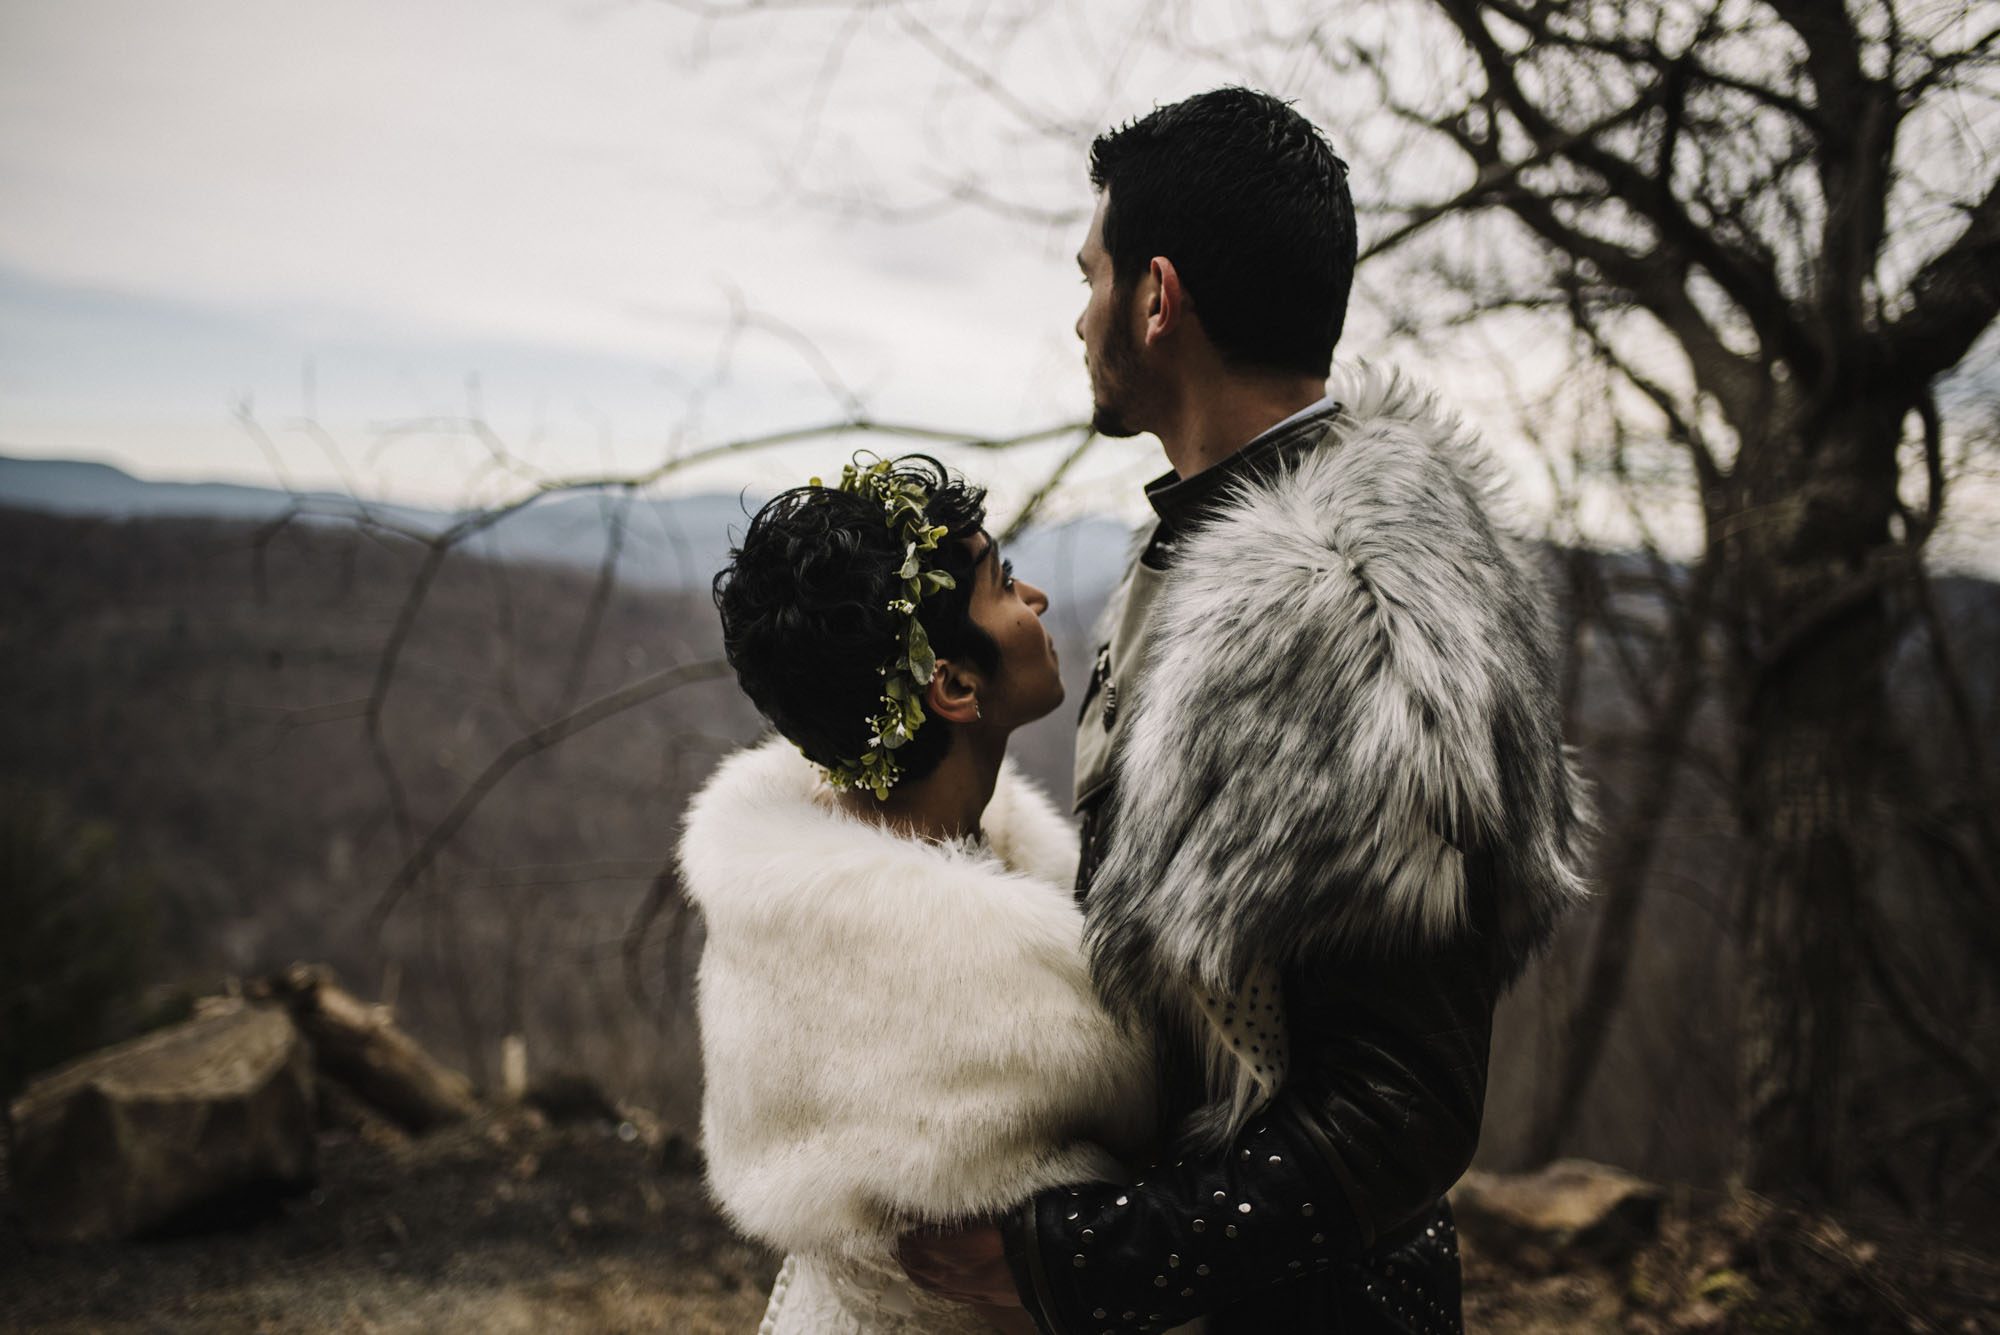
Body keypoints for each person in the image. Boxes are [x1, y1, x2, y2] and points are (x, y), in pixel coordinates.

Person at [897, 88, 1592, 1334]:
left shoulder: (1351, 612)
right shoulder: (1217, 545)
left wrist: (1084, 1258)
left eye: (1091, 275)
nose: (1078, 315)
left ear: (1155, 301)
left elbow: (1406, 1105)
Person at [682, 455, 1159, 1335]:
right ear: (952, 684)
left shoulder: (783, 907)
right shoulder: (977, 993)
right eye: (1005, 586)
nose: (1038, 600)